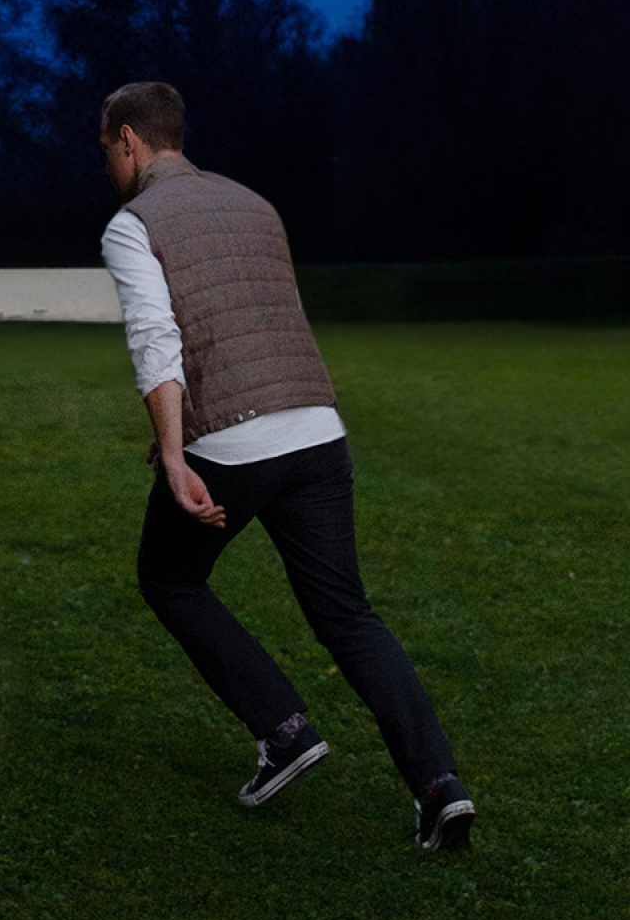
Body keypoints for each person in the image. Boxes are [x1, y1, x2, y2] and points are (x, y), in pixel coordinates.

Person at [99, 81, 475, 850]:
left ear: (130, 141)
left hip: (232, 441)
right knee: (349, 616)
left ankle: (283, 728)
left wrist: (172, 457)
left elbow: (155, 343)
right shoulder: (255, 203)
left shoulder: (133, 223)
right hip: (316, 429)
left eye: (105, 148)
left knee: (169, 578)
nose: (106, 162)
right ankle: (440, 787)